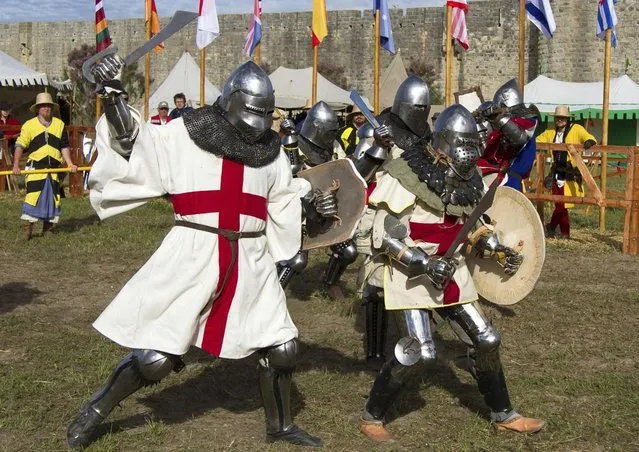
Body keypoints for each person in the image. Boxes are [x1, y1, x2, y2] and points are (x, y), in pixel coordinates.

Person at [66, 58, 331, 449]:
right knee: (154, 358)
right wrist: (111, 97)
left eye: (264, 113)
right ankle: (95, 411)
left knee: (283, 347)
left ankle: (281, 425)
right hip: (195, 252)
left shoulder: (271, 154)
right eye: (252, 110)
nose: (257, 123)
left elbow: (283, 203)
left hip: (251, 258)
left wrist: (314, 209)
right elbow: (134, 144)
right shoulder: (185, 133)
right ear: (231, 100)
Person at [358, 104, 545, 442]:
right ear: (444, 141)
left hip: (452, 270)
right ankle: (373, 415)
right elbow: (385, 235)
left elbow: (471, 226)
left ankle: (504, 413)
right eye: (463, 143)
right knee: (420, 352)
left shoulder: (468, 178)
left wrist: (493, 246)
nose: (468, 153)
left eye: (473, 144)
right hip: (410, 271)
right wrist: (424, 263)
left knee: (487, 339)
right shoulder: (407, 173)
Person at [325, 75, 432, 306]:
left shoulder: (425, 135)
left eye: (424, 108)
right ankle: (337, 284)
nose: (420, 112)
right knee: (363, 258)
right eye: (416, 107)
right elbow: (357, 174)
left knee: (410, 257)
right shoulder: (379, 131)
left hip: (409, 205)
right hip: (375, 202)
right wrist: (379, 147)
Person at [12, 92, 77, 239]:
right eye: (43, 106)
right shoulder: (29, 125)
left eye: (48, 105)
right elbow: (20, 145)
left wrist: (70, 163)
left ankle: (48, 229)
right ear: (37, 109)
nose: (46, 108)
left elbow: (64, 147)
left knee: (53, 198)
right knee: (33, 197)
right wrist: (16, 165)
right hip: (36, 168)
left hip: (54, 169)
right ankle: (26, 230)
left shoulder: (59, 125)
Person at [536, 105, 596, 239]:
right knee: (559, 203)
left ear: (567, 119)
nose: (560, 120)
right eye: (558, 118)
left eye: (563, 118)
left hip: (569, 173)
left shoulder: (576, 129)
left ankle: (561, 231)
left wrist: (589, 141)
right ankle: (555, 229)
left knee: (562, 204)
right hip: (556, 172)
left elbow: (588, 137)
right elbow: (537, 141)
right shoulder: (551, 131)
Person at [476, 79, 539, 192]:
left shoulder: (528, 123)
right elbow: (486, 150)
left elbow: (519, 138)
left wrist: (498, 118)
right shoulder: (500, 130)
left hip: (509, 182)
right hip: (498, 179)